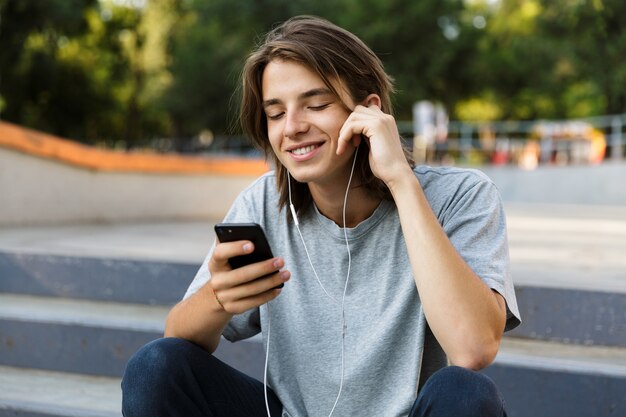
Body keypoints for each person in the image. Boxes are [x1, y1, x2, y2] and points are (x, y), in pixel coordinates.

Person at [122, 15, 521, 417]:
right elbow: (176, 340)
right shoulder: (263, 204)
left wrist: (401, 182)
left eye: (316, 104)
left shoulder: (461, 196)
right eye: (275, 114)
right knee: (154, 367)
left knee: (466, 393)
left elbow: (473, 348)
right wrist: (217, 297)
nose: (292, 127)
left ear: (368, 111)